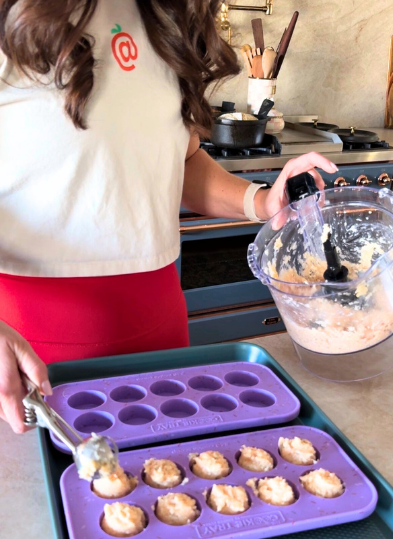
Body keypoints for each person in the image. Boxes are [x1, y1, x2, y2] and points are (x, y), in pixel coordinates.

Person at [0, 0, 337, 434]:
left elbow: (182, 160)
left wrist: (261, 201)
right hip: (30, 341)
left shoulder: (166, 17)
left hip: (161, 323)